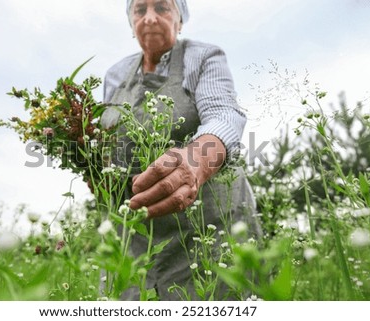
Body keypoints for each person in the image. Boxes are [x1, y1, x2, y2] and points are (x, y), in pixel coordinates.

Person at [101, 0, 261, 300]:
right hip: (137, 229)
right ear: (130, 20)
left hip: (206, 225)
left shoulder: (203, 56)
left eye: (162, 8)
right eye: (139, 10)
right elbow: (108, 136)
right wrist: (97, 167)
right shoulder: (115, 74)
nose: (149, 18)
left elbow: (223, 113)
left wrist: (195, 161)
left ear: (180, 20)